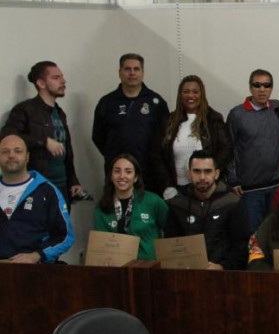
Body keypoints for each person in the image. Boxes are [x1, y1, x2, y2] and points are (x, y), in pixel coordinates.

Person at [1, 61, 81, 202]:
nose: (63, 81)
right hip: (38, 184)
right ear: (41, 83)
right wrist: (43, 141)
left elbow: (66, 148)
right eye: (56, 78)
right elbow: (8, 136)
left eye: (62, 76)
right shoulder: (25, 110)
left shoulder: (59, 112)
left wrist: (73, 180)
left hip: (62, 184)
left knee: (62, 223)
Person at [92, 53, 170, 188]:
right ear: (120, 72)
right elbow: (98, 137)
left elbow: (165, 136)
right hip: (118, 173)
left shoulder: (156, 102)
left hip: (149, 173)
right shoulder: (107, 102)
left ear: (142, 72)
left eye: (136, 69)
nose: (132, 73)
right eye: (127, 69)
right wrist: (114, 154)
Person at [150, 75, 233, 200]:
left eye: (195, 91)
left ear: (202, 94)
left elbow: (226, 149)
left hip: (206, 188)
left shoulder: (213, 120)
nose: (190, 96)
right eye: (186, 92)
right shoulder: (168, 121)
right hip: (176, 190)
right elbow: (157, 154)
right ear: (180, 95)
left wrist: (210, 175)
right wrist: (167, 186)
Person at [165, 151, 251, 271]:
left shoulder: (232, 203)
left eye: (207, 171)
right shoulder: (178, 204)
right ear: (189, 174)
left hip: (224, 275)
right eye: (196, 171)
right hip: (187, 273)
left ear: (216, 174)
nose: (202, 177)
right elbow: (170, 244)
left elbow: (242, 246)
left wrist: (222, 267)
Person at [0, 134, 74, 263]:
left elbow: (65, 236)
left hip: (35, 272)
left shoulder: (47, 191)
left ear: (27, 157)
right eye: (5, 152)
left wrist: (37, 255)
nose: (11, 155)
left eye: (18, 151)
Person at [225, 69, 279, 232]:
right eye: (257, 85)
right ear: (250, 87)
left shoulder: (278, 109)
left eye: (266, 85)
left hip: (275, 186)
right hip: (249, 190)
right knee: (253, 235)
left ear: (272, 88)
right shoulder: (237, 114)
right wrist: (233, 179)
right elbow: (229, 147)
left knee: (275, 232)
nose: (262, 89)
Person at [93, 154, 168, 261]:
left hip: (148, 267)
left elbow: (171, 231)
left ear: (136, 177)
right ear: (111, 175)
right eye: (117, 171)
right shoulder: (102, 207)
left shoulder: (153, 201)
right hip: (115, 267)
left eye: (128, 171)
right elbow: (101, 243)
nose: (122, 176)